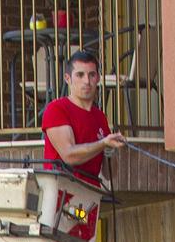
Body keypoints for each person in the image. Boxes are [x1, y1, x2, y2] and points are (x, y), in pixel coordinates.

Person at [41, 46, 125, 191]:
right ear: (68, 78)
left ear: (98, 78)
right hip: (61, 198)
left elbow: (109, 173)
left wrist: (111, 152)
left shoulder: (100, 116)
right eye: (80, 75)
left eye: (92, 75)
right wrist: (103, 143)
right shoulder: (57, 109)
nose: (87, 81)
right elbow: (69, 155)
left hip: (90, 196)